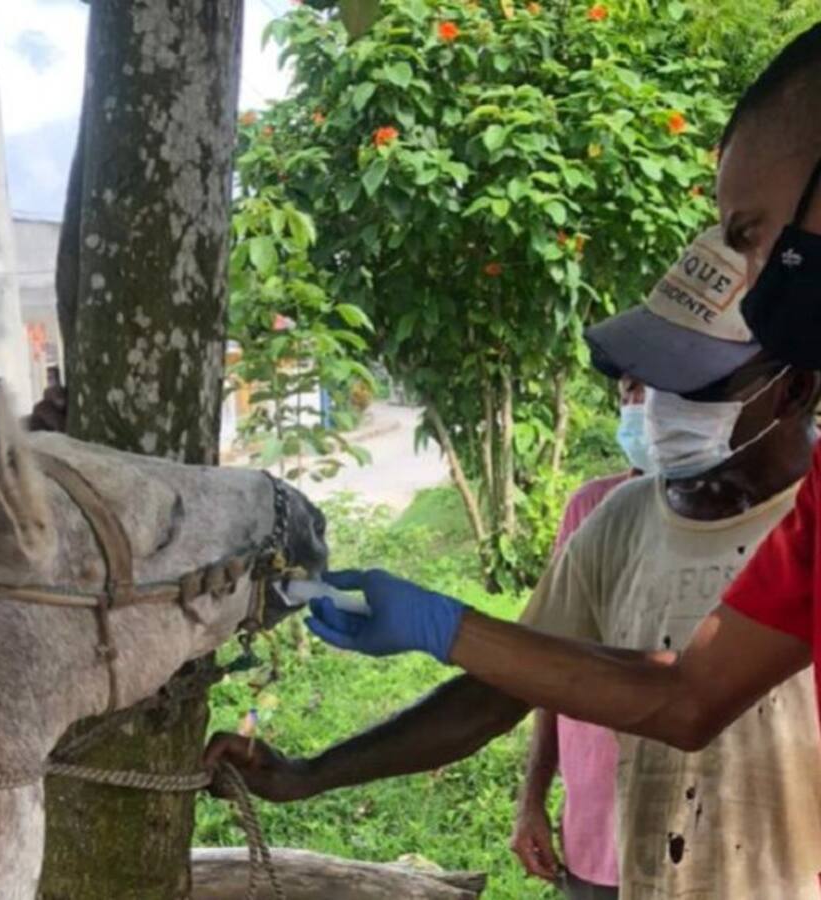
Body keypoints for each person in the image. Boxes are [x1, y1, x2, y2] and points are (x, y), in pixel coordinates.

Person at [206, 25, 821, 898]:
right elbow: (667, 698)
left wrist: (445, 627)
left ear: (793, 392)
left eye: (755, 235)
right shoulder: (620, 526)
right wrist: (317, 765)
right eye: (645, 383)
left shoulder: (802, 518)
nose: (657, 408)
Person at [511, 377, 647, 899]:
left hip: (702, 835)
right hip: (595, 831)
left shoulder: (749, 518)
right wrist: (532, 801)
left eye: (651, 389)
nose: (636, 406)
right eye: (627, 391)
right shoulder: (590, 509)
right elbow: (551, 668)